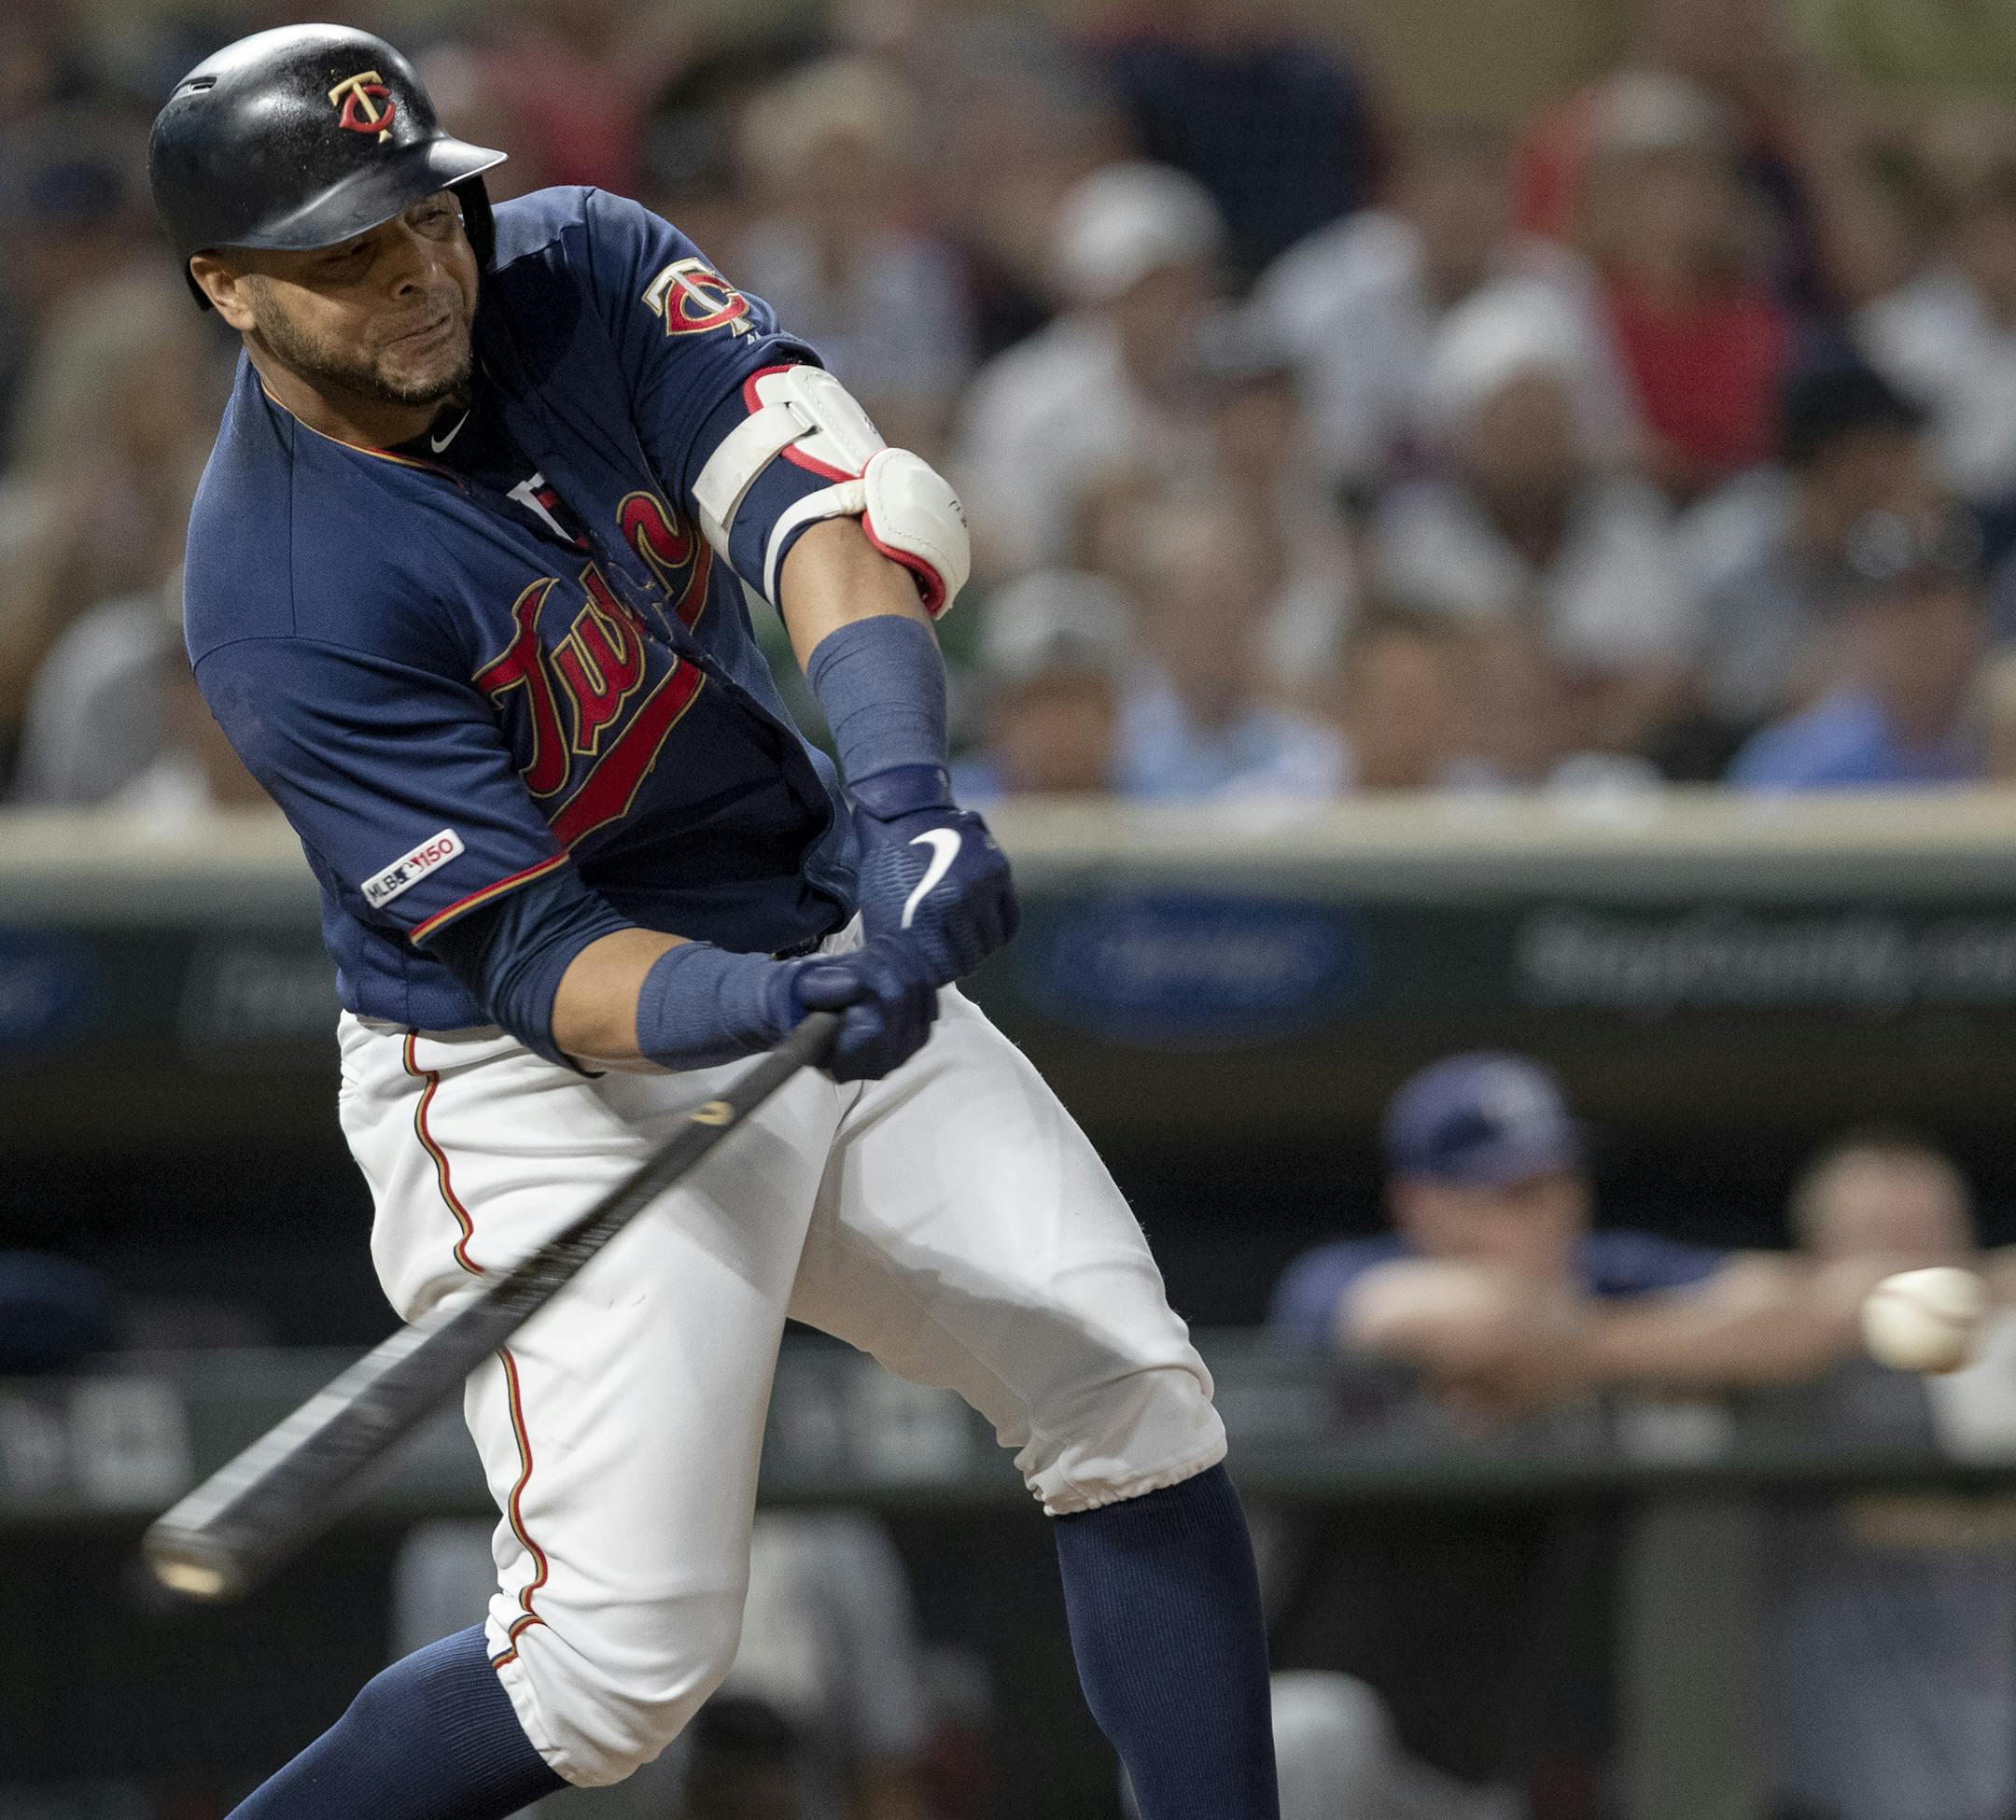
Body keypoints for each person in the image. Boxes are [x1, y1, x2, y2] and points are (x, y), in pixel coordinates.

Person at [151, 27, 1275, 1820]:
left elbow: (822, 511)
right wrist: (779, 995)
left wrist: (903, 805)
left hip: (804, 904)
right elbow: (539, 967)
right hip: (531, 1075)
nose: (421, 273)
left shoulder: (580, 260)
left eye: (428, 220)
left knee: (1125, 1386)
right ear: (229, 289)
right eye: (348, 257)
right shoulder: (278, 595)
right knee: (611, 1676)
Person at [1762, 1131, 2016, 1820]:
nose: (1918, 1273)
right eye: (1885, 1243)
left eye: (1934, 1239)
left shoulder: (1998, 1357)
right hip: (1844, 1783)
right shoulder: (1784, 1360)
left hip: (1989, 1767)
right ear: (1821, 1258)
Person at [1373, 284, 1693, 756]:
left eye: (1546, 421)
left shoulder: (1631, 527)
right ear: (1465, 435)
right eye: (1510, 424)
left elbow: (1670, 675)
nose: (1532, 443)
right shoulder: (1416, 540)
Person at [1255, 120, 1634, 493]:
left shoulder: (1560, 287)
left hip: (1525, 507)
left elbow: (1604, 434)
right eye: (1437, 188)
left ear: (1514, 198)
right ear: (1396, 199)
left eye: (1482, 187)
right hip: (1365, 512)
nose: (1460, 207)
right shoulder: (1324, 290)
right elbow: (1306, 450)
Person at [951, 159, 1225, 576]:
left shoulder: (1235, 377)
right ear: (1093, 295)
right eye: (1139, 291)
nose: (1160, 309)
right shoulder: (1022, 396)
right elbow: (994, 535)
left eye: (1174, 285)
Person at [1674, 349, 1937, 735]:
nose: (1910, 464)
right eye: (1893, 446)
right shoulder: (1732, 540)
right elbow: (1728, 703)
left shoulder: (1881, 547)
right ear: (1844, 454)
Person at [1727, 503, 1989, 789]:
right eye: (1900, 609)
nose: (1922, 635)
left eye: (1939, 609)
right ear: (1863, 626)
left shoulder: (1994, 744)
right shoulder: (1803, 760)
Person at [952, 568, 1132, 800]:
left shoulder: (1171, 807)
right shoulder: (946, 808)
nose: (1060, 723)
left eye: (1076, 697)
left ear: (1112, 711)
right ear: (998, 714)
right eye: (1040, 699)